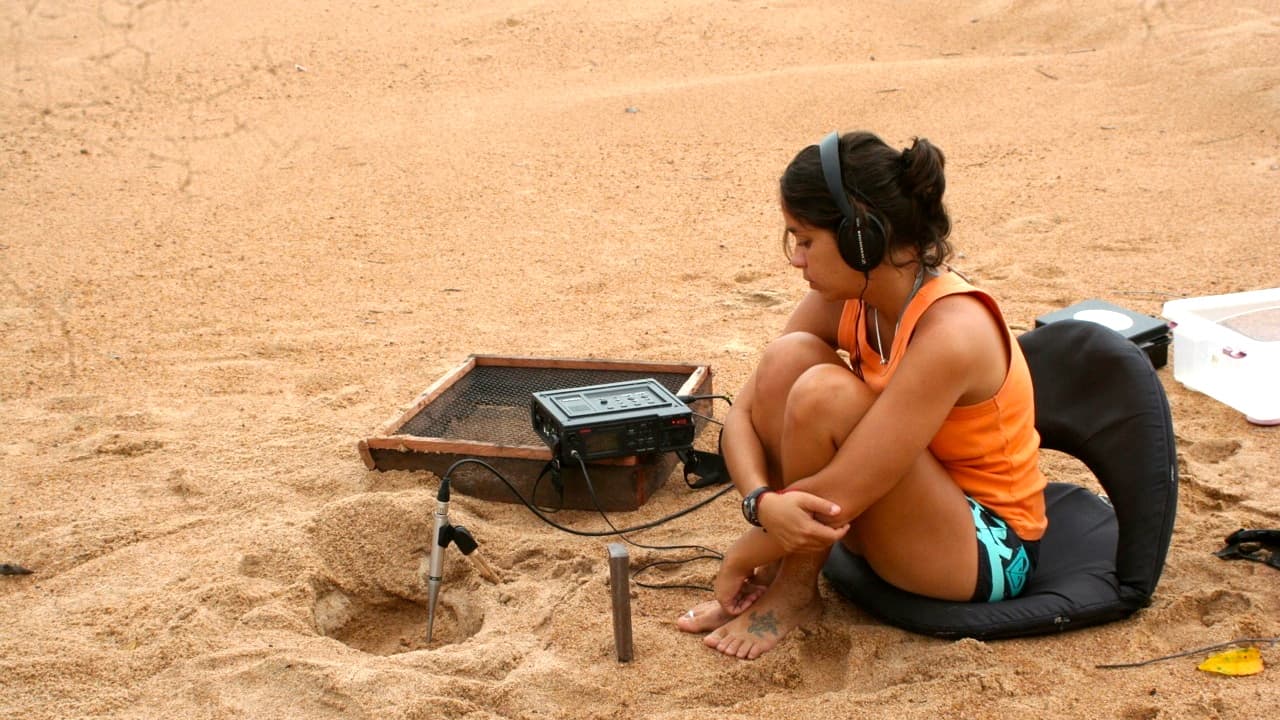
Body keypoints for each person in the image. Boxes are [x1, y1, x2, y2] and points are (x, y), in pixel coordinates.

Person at [676, 130, 1048, 660]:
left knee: (824, 393)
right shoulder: (851, 298)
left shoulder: (952, 331)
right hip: (895, 513)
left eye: (804, 240)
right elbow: (746, 413)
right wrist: (761, 503)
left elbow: (842, 494)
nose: (796, 260)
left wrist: (746, 550)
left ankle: (792, 591)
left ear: (860, 238)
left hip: (984, 550)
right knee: (788, 361)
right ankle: (783, 581)